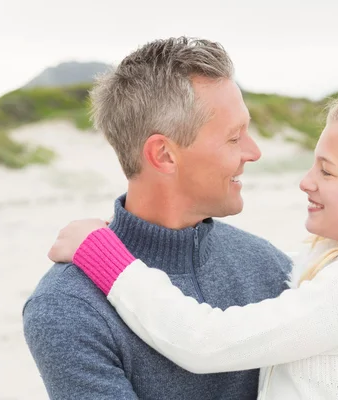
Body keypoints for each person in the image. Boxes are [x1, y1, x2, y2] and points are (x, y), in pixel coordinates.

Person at [48, 92, 338, 399]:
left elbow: (205, 342)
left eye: (327, 171)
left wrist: (104, 256)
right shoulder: (334, 267)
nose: (306, 181)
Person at [22, 37, 293, 400]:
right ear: (164, 155)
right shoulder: (67, 306)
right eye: (234, 138)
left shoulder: (271, 269)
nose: (254, 152)